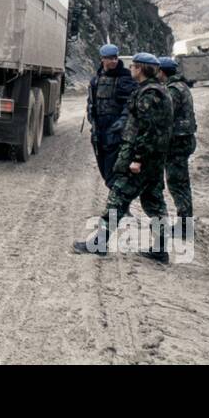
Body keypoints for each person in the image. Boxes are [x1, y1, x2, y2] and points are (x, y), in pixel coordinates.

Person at [75, 52, 173, 263]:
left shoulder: (150, 94)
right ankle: (161, 249)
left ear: (141, 69)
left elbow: (147, 131)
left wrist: (136, 158)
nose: (131, 69)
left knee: (117, 199)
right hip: (153, 160)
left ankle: (99, 243)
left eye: (134, 66)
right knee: (154, 203)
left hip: (143, 160)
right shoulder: (154, 90)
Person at [86, 44, 137, 186]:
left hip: (115, 135)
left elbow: (130, 104)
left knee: (113, 177)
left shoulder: (124, 78)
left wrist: (121, 122)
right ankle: (118, 208)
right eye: (110, 58)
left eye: (115, 58)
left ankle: (114, 209)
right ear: (103, 59)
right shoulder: (96, 80)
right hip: (99, 135)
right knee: (106, 174)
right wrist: (92, 119)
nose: (114, 61)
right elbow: (91, 103)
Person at [157, 56, 196, 236]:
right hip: (183, 141)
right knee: (182, 184)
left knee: (177, 184)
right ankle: (185, 224)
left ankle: (184, 227)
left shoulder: (172, 90)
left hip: (177, 143)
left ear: (162, 72)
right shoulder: (182, 86)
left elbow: (165, 114)